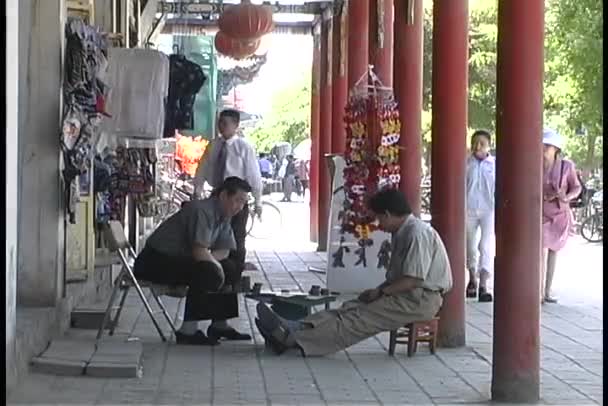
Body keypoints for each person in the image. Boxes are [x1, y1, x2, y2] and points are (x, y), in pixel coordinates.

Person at [254, 188, 453, 356]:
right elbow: (401, 277)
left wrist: (382, 293)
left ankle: (292, 340)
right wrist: (378, 290)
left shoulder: (417, 234)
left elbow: (413, 279)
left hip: (420, 299)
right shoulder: (403, 232)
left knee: (360, 318)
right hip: (405, 294)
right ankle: (295, 326)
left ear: (388, 214)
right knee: (350, 307)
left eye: (379, 219)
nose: (379, 225)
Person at [134, 177, 253, 345]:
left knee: (231, 267)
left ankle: (219, 324)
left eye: (243, 203)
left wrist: (218, 266)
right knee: (207, 271)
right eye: (238, 201)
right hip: (154, 262)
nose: (240, 207)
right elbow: (199, 251)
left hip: (180, 259)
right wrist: (215, 268)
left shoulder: (225, 213)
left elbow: (224, 250)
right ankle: (188, 330)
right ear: (224, 195)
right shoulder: (202, 210)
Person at [194, 109, 263, 274]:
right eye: (220, 122)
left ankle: (236, 271)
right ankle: (216, 268)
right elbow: (203, 167)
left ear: (236, 125)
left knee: (237, 235)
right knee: (214, 235)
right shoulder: (214, 145)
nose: (221, 126)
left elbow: (253, 174)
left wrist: (258, 200)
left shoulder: (243, 147)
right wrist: (198, 188)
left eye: (226, 123)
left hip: (236, 196)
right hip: (217, 195)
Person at [541, 129, 582, 304]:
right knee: (540, 249)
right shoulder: (534, 163)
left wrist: (567, 196)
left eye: (548, 146)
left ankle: (547, 290)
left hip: (559, 212)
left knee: (553, 251)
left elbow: (576, 187)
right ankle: (538, 291)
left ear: (556, 148)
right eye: (543, 145)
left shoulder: (567, 166)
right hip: (541, 210)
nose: (544, 149)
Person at [465, 129, 496, 302]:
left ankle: (484, 283)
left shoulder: (494, 165)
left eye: (482, 143)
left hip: (488, 210)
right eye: (475, 143)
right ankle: (472, 279)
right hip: (468, 209)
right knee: (470, 246)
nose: (478, 146)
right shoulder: (466, 164)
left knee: (485, 246)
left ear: (488, 146)